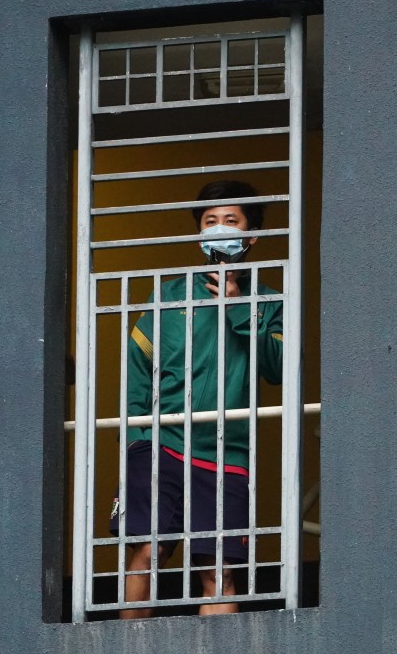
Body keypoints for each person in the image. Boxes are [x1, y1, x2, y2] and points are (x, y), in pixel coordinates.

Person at [109, 180, 283, 618]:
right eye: (210, 222)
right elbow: (136, 367)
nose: (219, 229)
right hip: (161, 443)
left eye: (230, 221)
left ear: (251, 235)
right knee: (147, 555)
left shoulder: (270, 300)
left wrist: (238, 305)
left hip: (226, 452)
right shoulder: (168, 294)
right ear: (198, 233)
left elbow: (278, 370)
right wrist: (134, 436)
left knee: (219, 574)